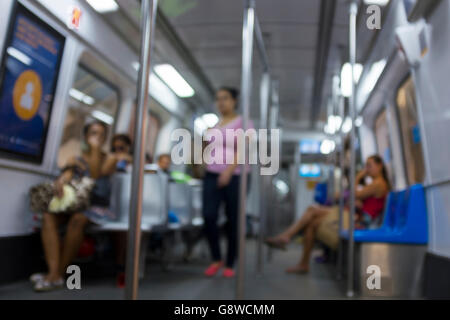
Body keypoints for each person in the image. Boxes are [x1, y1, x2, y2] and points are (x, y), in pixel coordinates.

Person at [265, 155, 390, 274]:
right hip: (354, 214)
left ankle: (287, 237)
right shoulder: (373, 184)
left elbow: (354, 194)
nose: (366, 169)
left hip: (359, 220)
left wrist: (358, 177)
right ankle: (302, 262)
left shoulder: (378, 184)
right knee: (312, 224)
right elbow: (357, 198)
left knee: (312, 210)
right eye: (365, 166)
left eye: (369, 166)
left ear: (379, 166)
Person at [30, 121, 116, 292]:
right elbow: (67, 175)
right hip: (76, 204)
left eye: (100, 135)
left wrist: (94, 150)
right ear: (85, 136)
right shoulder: (76, 159)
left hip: (96, 207)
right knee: (48, 216)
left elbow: (96, 174)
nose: (96, 137)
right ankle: (53, 273)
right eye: (93, 133)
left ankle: (56, 275)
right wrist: (61, 181)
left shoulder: (110, 159)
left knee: (78, 219)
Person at [202, 87, 253, 278]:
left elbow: (243, 150)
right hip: (211, 174)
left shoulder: (244, 122)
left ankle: (230, 262)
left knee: (234, 220)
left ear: (234, 101)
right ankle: (216, 258)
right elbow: (206, 152)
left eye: (225, 98)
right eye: (218, 99)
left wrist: (228, 172)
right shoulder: (214, 124)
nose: (221, 102)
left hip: (236, 175)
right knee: (208, 215)